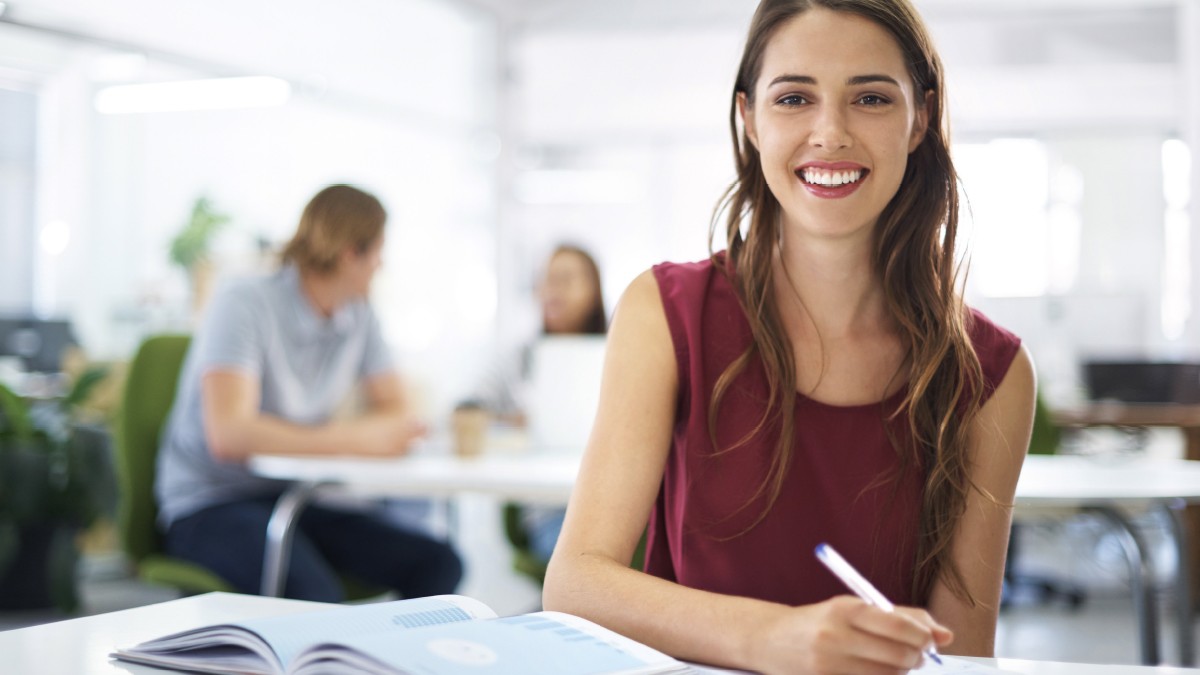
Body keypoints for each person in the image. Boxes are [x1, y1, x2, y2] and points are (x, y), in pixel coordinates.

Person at [542, 1, 1036, 673]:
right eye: (795, 97)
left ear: (919, 118)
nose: (829, 133)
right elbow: (575, 582)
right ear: (749, 119)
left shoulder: (992, 373)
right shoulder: (663, 312)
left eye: (869, 97)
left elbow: (960, 653)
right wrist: (768, 638)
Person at [155, 184, 463, 602]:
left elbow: (398, 413)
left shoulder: (359, 314)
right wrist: (355, 440)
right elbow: (229, 435)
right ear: (350, 254)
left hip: (292, 499)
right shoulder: (243, 303)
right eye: (377, 252)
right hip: (211, 505)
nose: (380, 265)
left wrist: (369, 435)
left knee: (439, 563)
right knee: (316, 595)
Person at [475, 244, 607, 566]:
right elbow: (465, 410)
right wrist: (514, 422)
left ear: (594, 291)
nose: (552, 291)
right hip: (550, 511)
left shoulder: (617, 354)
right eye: (546, 280)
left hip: (612, 505)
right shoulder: (521, 359)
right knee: (584, 561)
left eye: (565, 280)